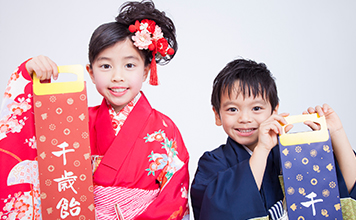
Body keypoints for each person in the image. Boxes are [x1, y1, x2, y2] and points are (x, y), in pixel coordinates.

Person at [0, 1, 189, 220]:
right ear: (90, 72)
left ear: (146, 71)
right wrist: (28, 74)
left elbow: (174, 197)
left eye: (129, 65)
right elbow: (31, 141)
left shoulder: (164, 129)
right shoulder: (72, 120)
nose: (117, 76)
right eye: (106, 66)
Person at [190, 59, 356, 219]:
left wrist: (337, 133)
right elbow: (215, 211)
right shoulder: (212, 163)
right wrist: (262, 150)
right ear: (217, 115)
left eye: (256, 108)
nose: (245, 118)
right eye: (232, 109)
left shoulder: (295, 152)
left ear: (274, 110)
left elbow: (343, 191)